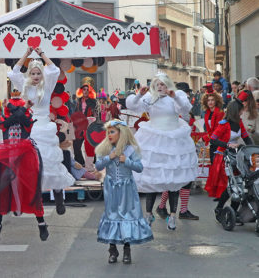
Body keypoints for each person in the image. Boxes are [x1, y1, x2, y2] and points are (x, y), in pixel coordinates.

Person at [126, 73, 198, 231]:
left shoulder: (176, 95)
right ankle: (148, 214)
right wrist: (139, 94)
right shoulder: (149, 98)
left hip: (173, 139)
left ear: (168, 85)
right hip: (154, 138)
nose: (160, 87)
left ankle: (173, 215)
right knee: (151, 179)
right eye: (157, 84)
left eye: (163, 84)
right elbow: (131, 105)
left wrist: (175, 97)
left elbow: (186, 108)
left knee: (173, 181)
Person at [8, 47, 75, 214]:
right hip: (32, 127)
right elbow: (15, 70)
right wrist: (26, 54)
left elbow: (54, 69)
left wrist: (41, 54)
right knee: (32, 165)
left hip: (46, 127)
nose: (36, 76)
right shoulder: (25, 86)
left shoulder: (48, 85)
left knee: (51, 163)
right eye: (33, 74)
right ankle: (30, 202)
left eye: (38, 73)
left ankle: (59, 198)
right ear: (29, 75)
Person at [0, 96, 48, 243]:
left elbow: (22, 119)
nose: (15, 111)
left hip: (25, 157)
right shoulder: (5, 119)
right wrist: (22, 108)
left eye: (17, 107)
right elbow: (10, 121)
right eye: (11, 108)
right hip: (6, 156)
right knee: (2, 189)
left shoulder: (27, 118)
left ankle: (42, 224)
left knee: (31, 190)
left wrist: (22, 109)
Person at [95, 120, 153, 264]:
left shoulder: (131, 149)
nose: (109, 135)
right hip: (111, 188)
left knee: (127, 217)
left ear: (121, 133)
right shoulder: (104, 149)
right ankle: (112, 250)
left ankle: (127, 250)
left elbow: (139, 167)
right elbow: (98, 165)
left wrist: (127, 161)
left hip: (127, 189)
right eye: (108, 132)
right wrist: (110, 157)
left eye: (112, 132)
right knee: (112, 215)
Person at [205, 93, 254, 222]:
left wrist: (253, 149)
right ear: (236, 111)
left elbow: (246, 137)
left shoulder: (239, 123)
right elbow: (213, 140)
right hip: (223, 157)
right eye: (241, 110)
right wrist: (228, 145)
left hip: (236, 155)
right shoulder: (224, 124)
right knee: (231, 185)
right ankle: (220, 207)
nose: (243, 111)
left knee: (239, 183)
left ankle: (233, 209)